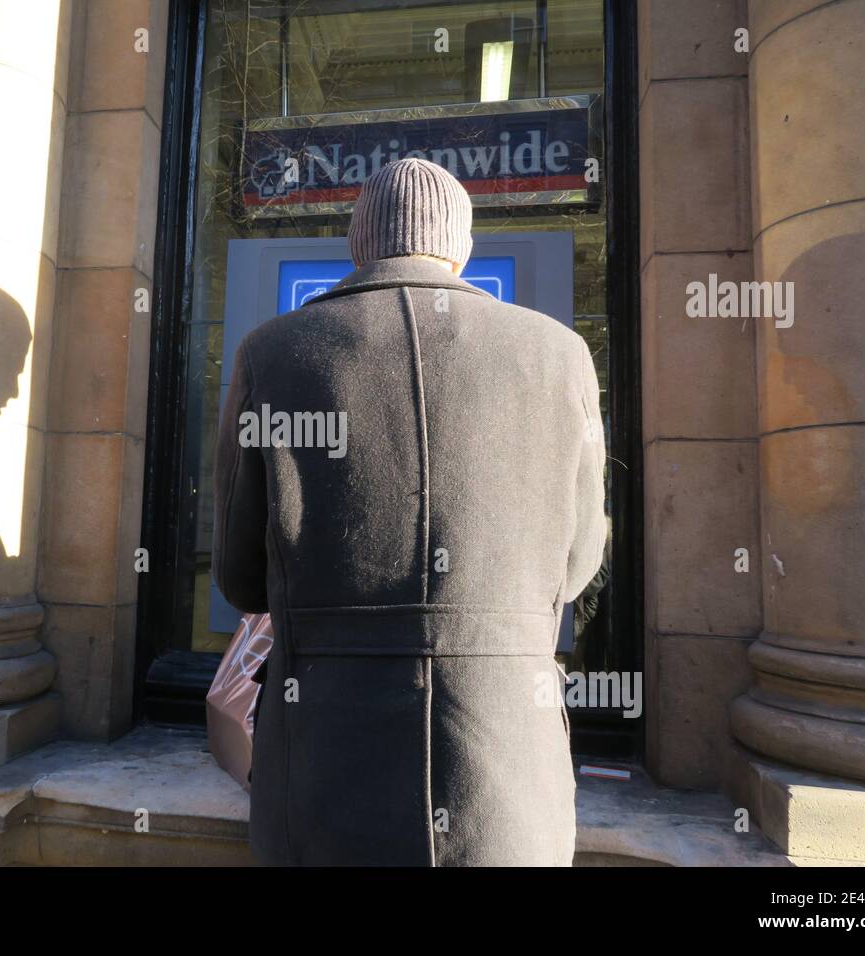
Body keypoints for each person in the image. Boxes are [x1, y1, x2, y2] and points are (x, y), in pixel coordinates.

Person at [213, 157, 607, 866]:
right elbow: (575, 570)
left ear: (358, 244)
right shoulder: (560, 356)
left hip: (326, 760)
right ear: (461, 247)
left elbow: (241, 578)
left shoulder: (272, 353)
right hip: (506, 763)